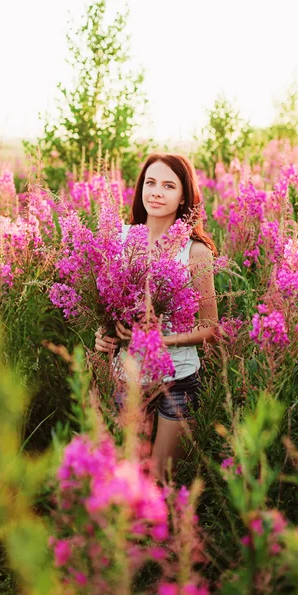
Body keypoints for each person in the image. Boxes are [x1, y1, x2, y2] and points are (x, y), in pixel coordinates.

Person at [95, 153, 218, 482]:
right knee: (123, 477)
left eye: (168, 185)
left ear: (183, 196)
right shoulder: (119, 241)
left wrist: (160, 339)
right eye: (150, 183)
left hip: (178, 379)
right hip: (126, 378)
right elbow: (109, 308)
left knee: (160, 482)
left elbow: (209, 328)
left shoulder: (195, 251)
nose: (156, 192)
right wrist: (102, 334)